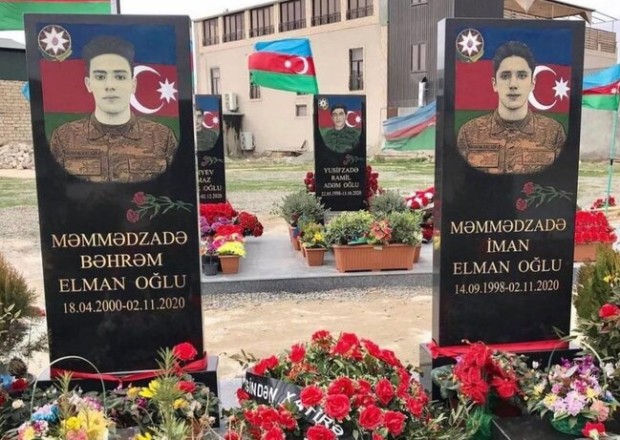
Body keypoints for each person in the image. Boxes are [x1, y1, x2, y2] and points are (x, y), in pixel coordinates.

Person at [49, 35, 178, 183]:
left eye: (120, 77)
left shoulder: (162, 138)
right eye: (100, 77)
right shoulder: (64, 139)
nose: (110, 86)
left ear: (133, 84)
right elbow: (54, 190)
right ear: (88, 84)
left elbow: (176, 189)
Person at [457, 41, 566, 174]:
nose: (513, 84)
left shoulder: (553, 133)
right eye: (505, 76)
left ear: (533, 83)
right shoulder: (469, 133)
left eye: (522, 76)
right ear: (494, 84)